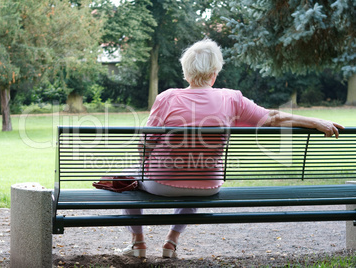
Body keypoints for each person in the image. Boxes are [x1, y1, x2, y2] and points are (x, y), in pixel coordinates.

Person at [122, 39, 344, 258]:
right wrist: (315, 121)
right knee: (195, 175)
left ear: (186, 72)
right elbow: (274, 117)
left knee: (126, 179)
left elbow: (145, 144)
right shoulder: (232, 98)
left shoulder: (167, 98)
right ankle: (171, 242)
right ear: (214, 73)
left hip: (161, 183)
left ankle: (138, 243)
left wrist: (145, 163)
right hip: (207, 185)